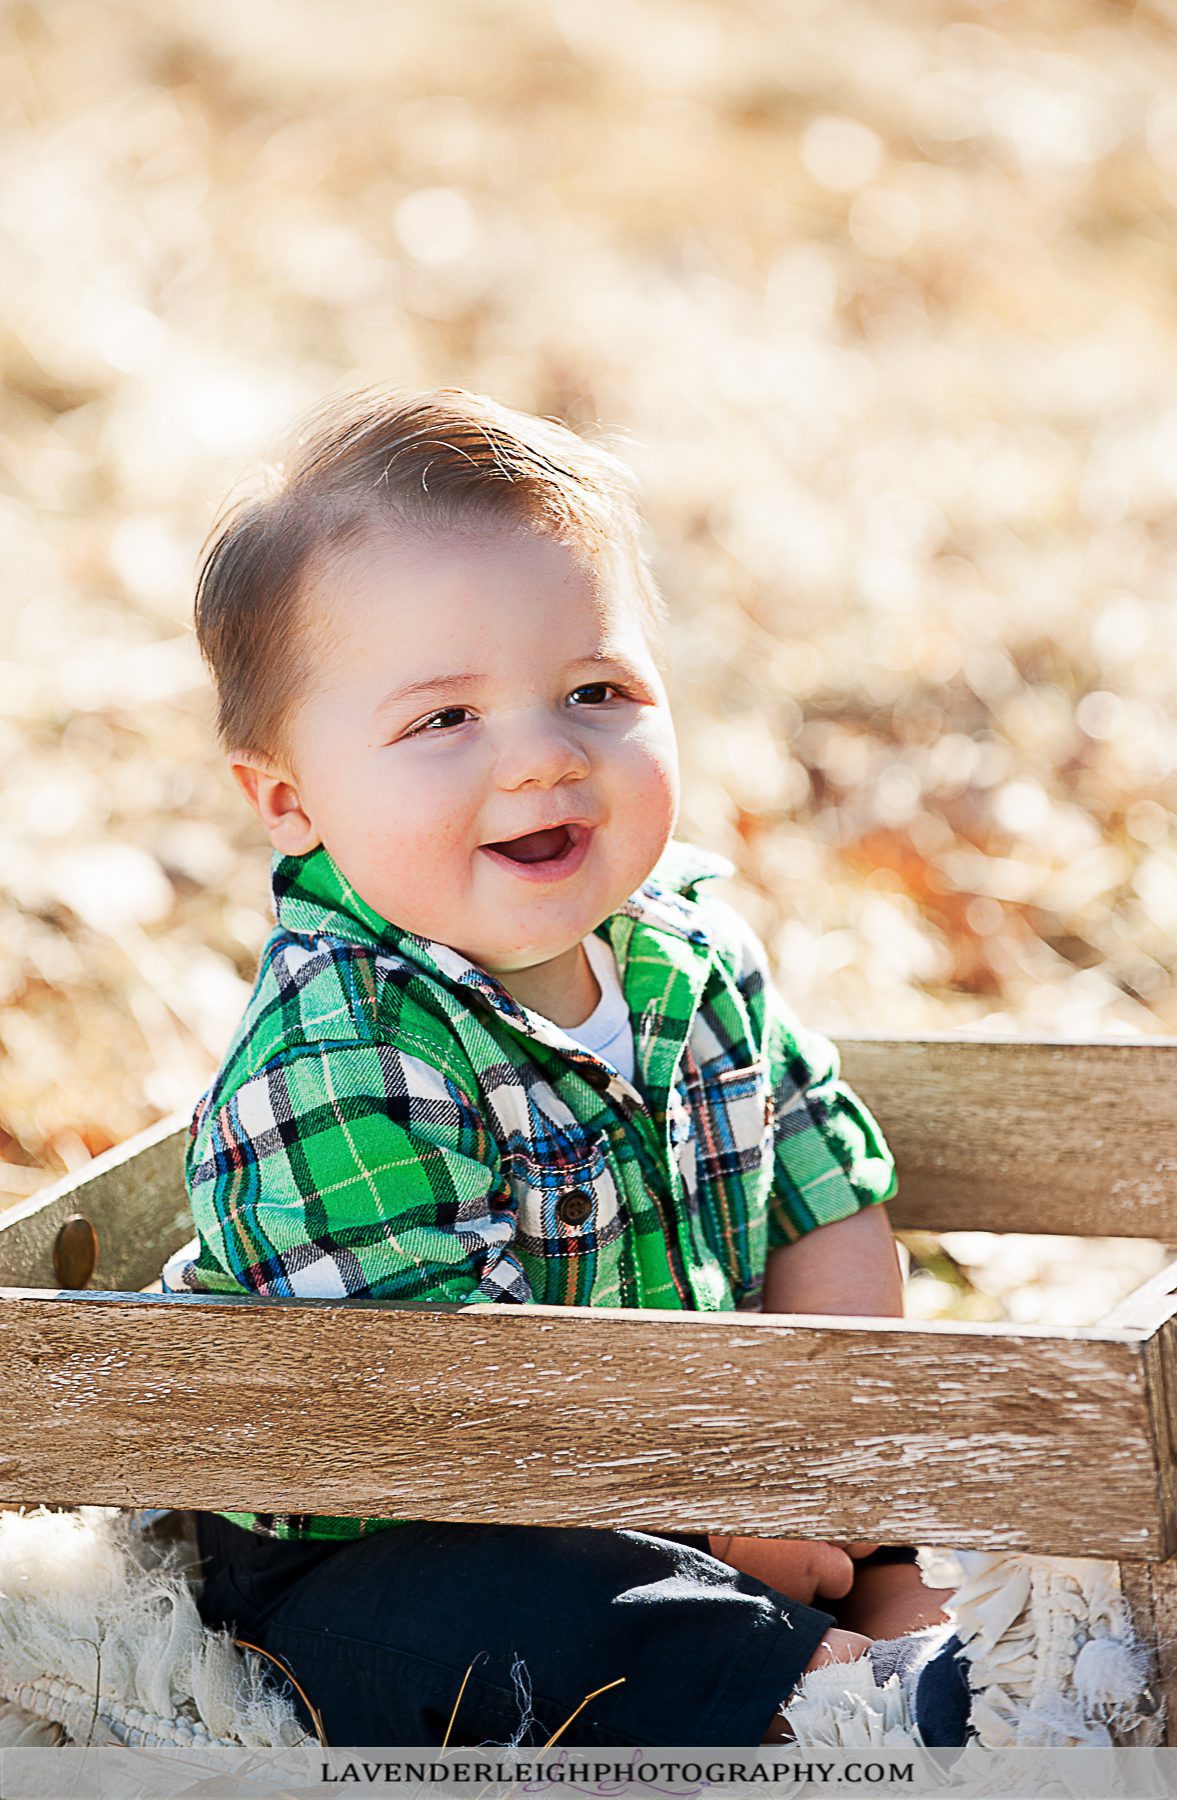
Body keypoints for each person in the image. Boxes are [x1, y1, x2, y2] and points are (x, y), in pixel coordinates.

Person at [162, 387, 961, 1747]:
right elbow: (458, 1425)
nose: (542, 754)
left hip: (707, 1449)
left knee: (921, 1508)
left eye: (596, 692)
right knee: (536, 1616)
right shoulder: (339, 1061)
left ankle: (921, 1657)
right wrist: (723, 1523)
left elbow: (829, 1206)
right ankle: (821, 1693)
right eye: (445, 721)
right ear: (290, 800)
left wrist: (817, 1459)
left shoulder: (693, 959)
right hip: (408, 1529)